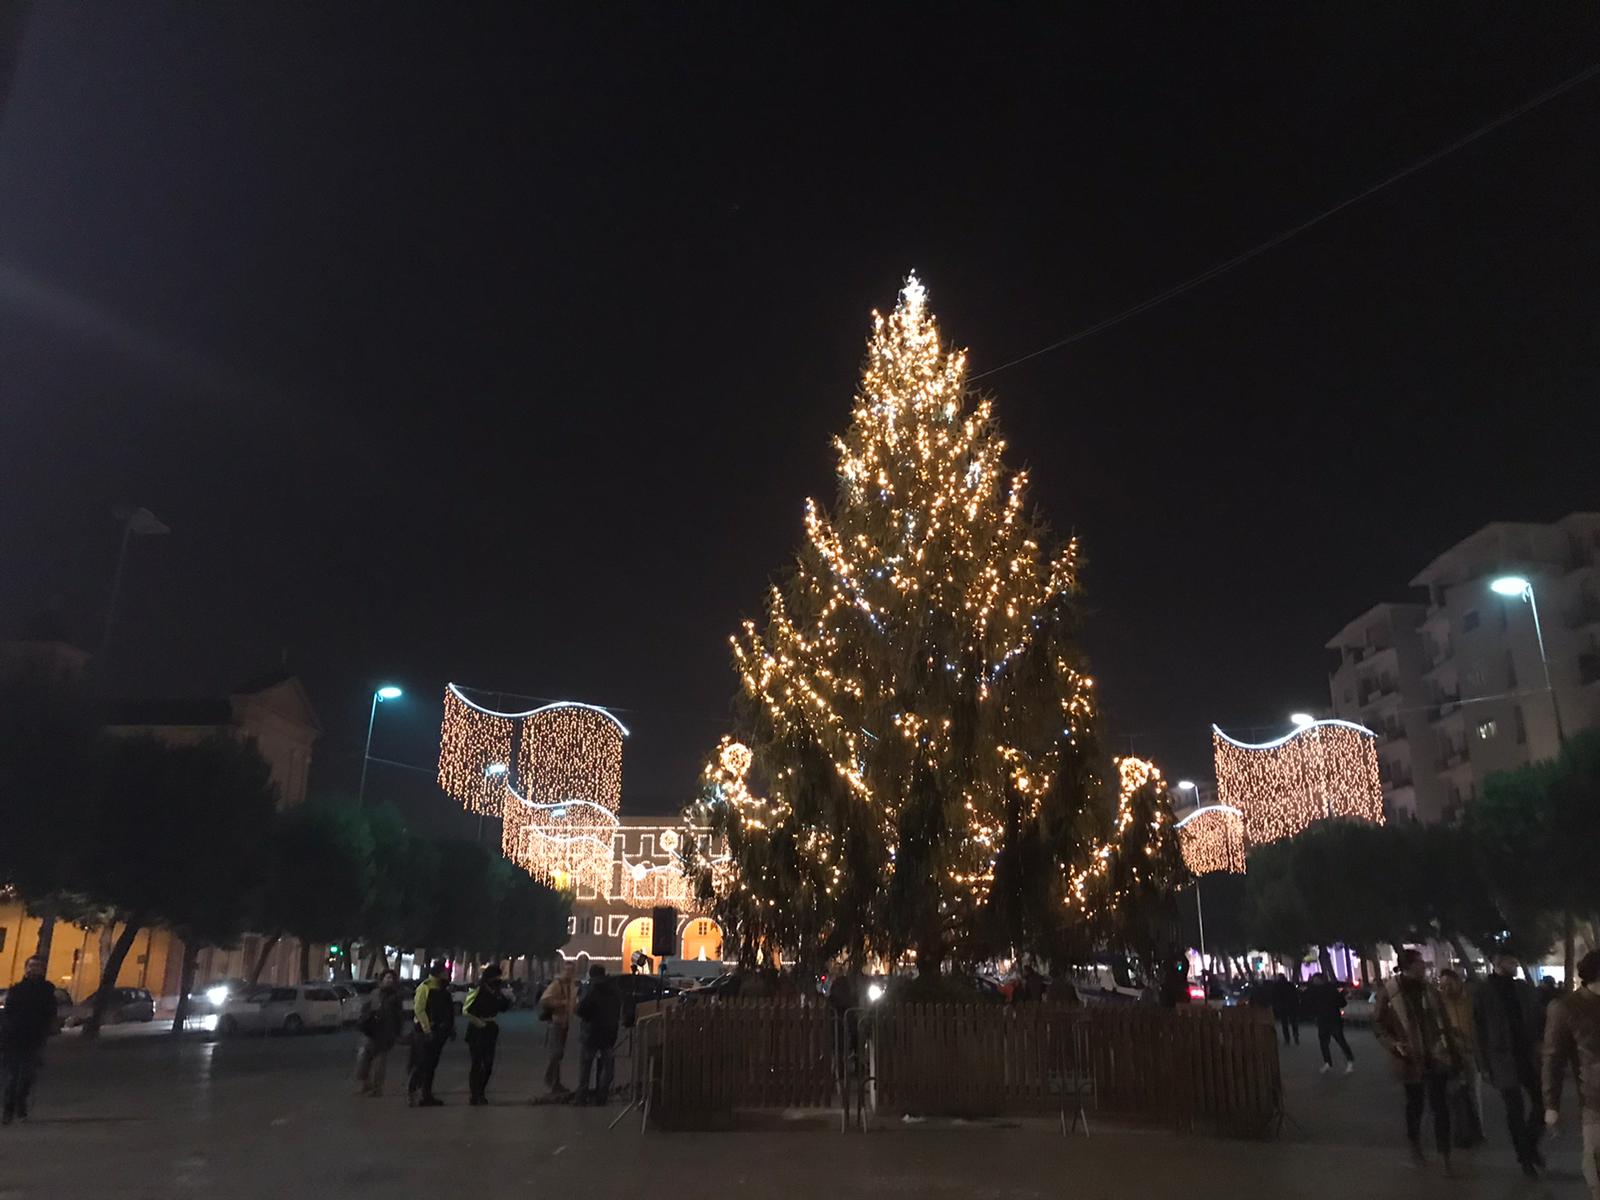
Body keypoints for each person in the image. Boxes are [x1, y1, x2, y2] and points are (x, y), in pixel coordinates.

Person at [1374, 949, 1461, 1169]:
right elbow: (1377, 1024)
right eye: (1420, 962)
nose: (1424, 966)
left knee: (1440, 1106)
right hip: (1410, 1058)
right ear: (1409, 965)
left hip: (1435, 1055)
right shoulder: (1390, 991)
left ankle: (1445, 1154)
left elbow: (1444, 1023)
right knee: (1415, 1105)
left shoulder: (1429, 989)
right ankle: (1415, 1146)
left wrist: (1453, 1054)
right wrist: (1394, 1045)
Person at [1474, 952, 1545, 1177]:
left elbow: (1536, 1015)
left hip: (1526, 1055)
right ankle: (1525, 1157)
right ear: (1497, 964)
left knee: (1541, 1104)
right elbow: (1478, 1029)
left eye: (1515, 961)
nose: (1514, 965)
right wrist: (1483, 1064)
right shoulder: (1483, 992)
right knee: (1514, 1110)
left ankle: (1529, 1145)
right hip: (1501, 1057)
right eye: (1510, 962)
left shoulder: (1522, 988)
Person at [1543, 948, 1600, 1200]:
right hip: (1595, 1101)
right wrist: (1551, 1105)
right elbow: (1553, 1059)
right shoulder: (1566, 1007)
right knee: (1596, 1164)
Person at [1, 956, 58, 1125]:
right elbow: (8, 1013)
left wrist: (48, 1030)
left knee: (27, 1077)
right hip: (13, 1039)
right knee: (12, 1077)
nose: (35, 969)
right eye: (32, 966)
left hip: (34, 1039)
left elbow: (51, 1013)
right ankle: (8, 1111)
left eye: (39, 967)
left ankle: (21, 1106)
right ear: (26, 969)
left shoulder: (47, 991)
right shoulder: (17, 989)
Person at [1437, 969, 1483, 1148]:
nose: (1446, 989)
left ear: (1458, 982)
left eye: (1449, 984)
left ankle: (1477, 1129)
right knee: (1453, 1094)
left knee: (1473, 1092)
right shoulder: (1440, 1002)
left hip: (1470, 1051)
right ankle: (1461, 1132)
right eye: (1442, 985)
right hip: (1449, 1053)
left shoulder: (1470, 1000)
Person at [407, 962, 454, 1107]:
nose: (447, 975)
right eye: (445, 972)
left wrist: (450, 1029)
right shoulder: (425, 987)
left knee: (432, 1064)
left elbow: (448, 1012)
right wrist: (427, 1030)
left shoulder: (443, 989)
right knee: (422, 1063)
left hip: (439, 1032)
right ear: (439, 973)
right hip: (425, 1033)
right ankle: (413, 1091)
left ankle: (426, 1094)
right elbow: (419, 1010)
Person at [574, 964, 623, 1105]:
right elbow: (619, 1008)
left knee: (586, 1065)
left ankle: (582, 1096)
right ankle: (602, 1095)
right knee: (607, 1065)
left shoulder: (591, 988)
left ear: (591, 974)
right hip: (609, 1032)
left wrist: (586, 1016)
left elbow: (581, 1008)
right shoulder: (615, 988)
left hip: (591, 1031)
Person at [464, 964, 510, 1106]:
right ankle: (474, 1094)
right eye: (496, 977)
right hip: (477, 1030)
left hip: (490, 1029)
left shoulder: (496, 991)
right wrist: (479, 1022)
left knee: (488, 1064)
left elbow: (503, 1008)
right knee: (477, 1063)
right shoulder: (477, 990)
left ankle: (481, 1091)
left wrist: (505, 999)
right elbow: (466, 1010)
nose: (498, 980)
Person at [354, 969, 404, 1097]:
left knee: (380, 1063)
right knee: (363, 1058)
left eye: (391, 978)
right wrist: (363, 1019)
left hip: (385, 1033)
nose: (389, 980)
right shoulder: (375, 993)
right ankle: (365, 1083)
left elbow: (399, 1016)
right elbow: (366, 1008)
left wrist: (397, 1033)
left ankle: (377, 1089)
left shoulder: (396, 997)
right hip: (370, 1031)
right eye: (387, 978)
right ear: (382, 979)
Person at [538, 962, 579, 1096]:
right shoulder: (557, 984)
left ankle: (555, 1082)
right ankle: (551, 1081)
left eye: (571, 970)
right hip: (556, 1022)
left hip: (564, 1023)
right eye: (567, 970)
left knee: (559, 1054)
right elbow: (544, 1000)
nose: (569, 973)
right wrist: (561, 1003)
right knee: (556, 1053)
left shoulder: (571, 985)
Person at [1303, 971, 1355, 1074]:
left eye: (1316, 980)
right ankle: (1329, 1062)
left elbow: (1341, 1002)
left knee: (1339, 1040)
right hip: (1325, 1019)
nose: (1315, 982)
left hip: (1331, 1019)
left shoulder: (1328, 990)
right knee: (1325, 1042)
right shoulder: (1323, 990)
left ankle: (1348, 1060)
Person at [1270, 972, 1300, 1046]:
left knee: (1284, 1023)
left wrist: (1276, 1006)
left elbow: (1274, 997)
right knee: (1293, 1022)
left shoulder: (1276, 986)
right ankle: (1296, 1035)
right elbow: (1295, 995)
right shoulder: (1290, 984)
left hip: (1282, 1007)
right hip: (1291, 1006)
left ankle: (1287, 1039)